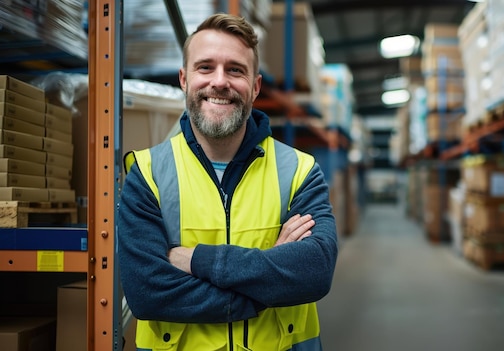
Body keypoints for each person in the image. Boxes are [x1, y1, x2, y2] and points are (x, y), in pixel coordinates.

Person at [118, 13, 339, 351]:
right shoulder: (147, 175)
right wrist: (269, 284)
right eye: (205, 67)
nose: (219, 81)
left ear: (255, 86)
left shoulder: (299, 171)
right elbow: (148, 295)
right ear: (184, 79)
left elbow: (314, 272)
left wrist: (195, 260)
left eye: (235, 69)